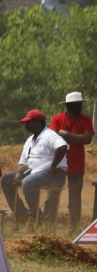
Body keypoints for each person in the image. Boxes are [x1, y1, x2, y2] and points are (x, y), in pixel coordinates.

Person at [0, 110, 68, 224]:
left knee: (28, 182)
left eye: (29, 122)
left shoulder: (49, 135)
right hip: (34, 173)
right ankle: (22, 215)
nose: (26, 125)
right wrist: (18, 173)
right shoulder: (30, 140)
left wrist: (53, 166)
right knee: (6, 180)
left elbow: (62, 147)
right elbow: (23, 162)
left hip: (54, 175)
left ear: (38, 122)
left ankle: (36, 216)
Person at [49, 92, 94, 234]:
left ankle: (74, 228)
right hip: (58, 162)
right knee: (52, 195)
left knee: (75, 198)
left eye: (79, 104)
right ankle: (49, 225)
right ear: (68, 105)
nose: (79, 106)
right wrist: (76, 138)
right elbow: (52, 137)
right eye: (76, 104)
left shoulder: (86, 120)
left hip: (77, 164)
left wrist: (66, 135)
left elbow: (87, 139)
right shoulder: (57, 118)